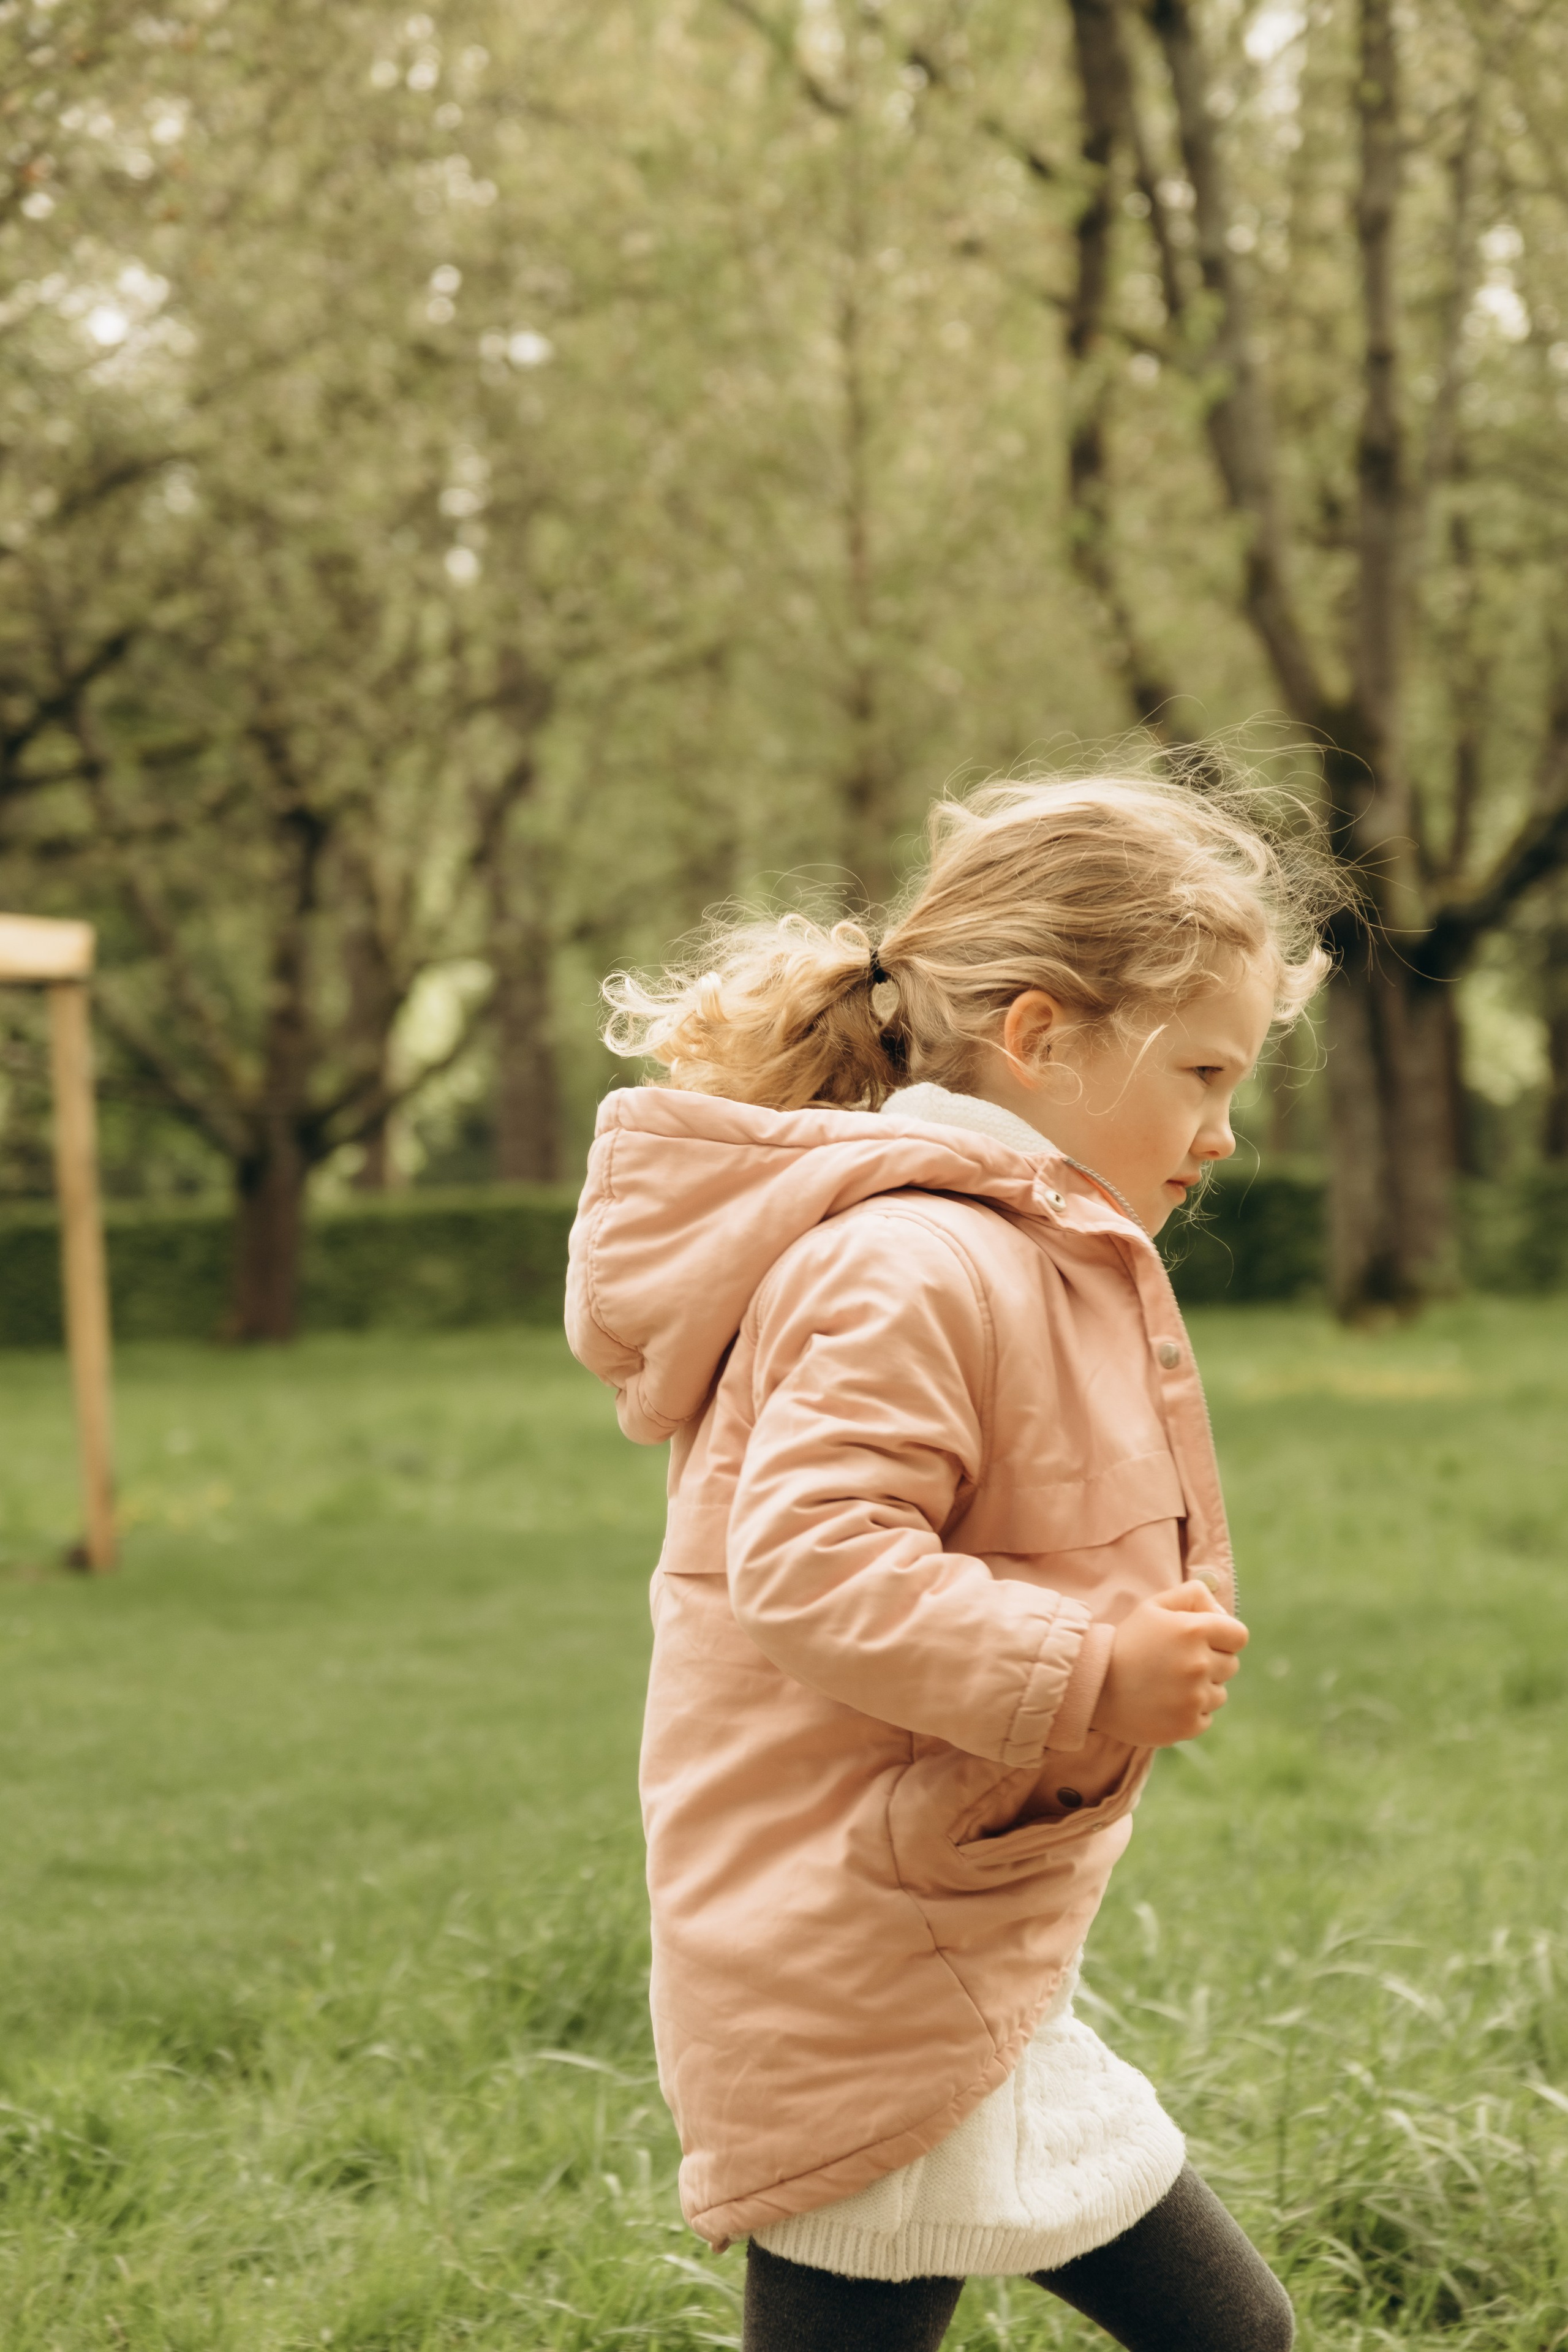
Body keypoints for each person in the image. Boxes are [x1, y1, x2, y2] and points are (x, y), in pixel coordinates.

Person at [566, 773, 1333, 2352]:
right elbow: (814, 1563)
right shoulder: (909, 1257)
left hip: (953, 1935)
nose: (1225, 1124)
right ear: (1044, 1037)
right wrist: (1093, 1667)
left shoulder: (1016, 1244)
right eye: (1199, 1068)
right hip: (854, 1950)